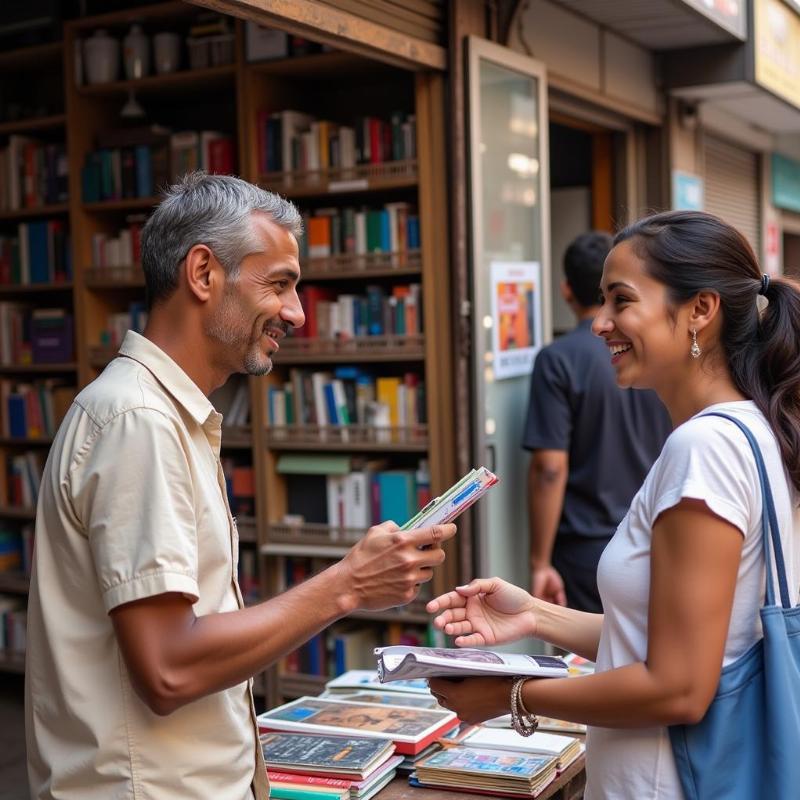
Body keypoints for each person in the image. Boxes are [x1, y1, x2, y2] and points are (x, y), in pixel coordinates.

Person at [24, 172, 456, 800]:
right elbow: (169, 667)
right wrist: (347, 586)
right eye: (278, 284)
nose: (296, 313)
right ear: (203, 273)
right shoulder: (139, 422)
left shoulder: (163, 414)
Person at [427, 210, 800, 799]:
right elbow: (685, 642)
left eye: (621, 300)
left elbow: (678, 686)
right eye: (602, 300)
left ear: (701, 310)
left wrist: (508, 696)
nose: (600, 323)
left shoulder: (704, 447)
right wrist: (537, 616)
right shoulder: (754, 431)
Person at [524, 231, 670, 612]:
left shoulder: (558, 359)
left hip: (587, 549)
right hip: (655, 537)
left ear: (565, 290)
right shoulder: (660, 358)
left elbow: (549, 468)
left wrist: (540, 561)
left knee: (588, 666)